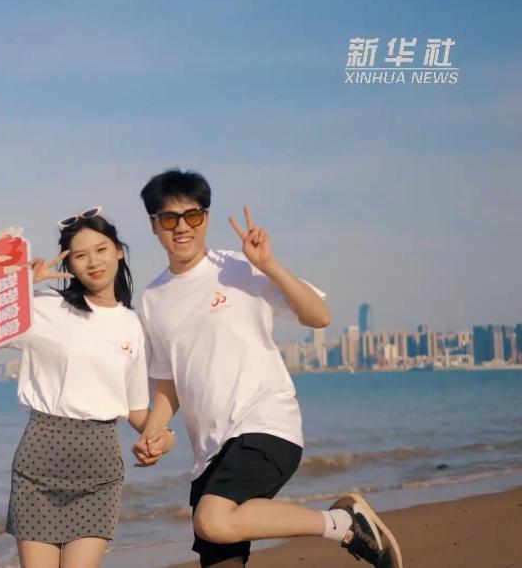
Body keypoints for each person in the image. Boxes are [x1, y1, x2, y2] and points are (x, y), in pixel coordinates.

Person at [131, 170, 402, 568]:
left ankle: (344, 523)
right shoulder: (153, 297)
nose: (182, 227)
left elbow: (319, 316)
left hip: (266, 424)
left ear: (206, 218)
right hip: (210, 451)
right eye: (170, 219)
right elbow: (169, 381)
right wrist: (153, 432)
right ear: (155, 225)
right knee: (218, 537)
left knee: (211, 519)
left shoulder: (241, 267)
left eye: (193, 216)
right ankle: (345, 523)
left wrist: (270, 264)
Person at [0, 207, 173, 568]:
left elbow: (135, 409)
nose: (93, 262)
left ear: (119, 251)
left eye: (101, 250)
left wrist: (163, 436)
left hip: (100, 468)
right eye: (80, 255)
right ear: (69, 264)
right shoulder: (45, 306)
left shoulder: (133, 326)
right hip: (39, 462)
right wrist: (17, 287)